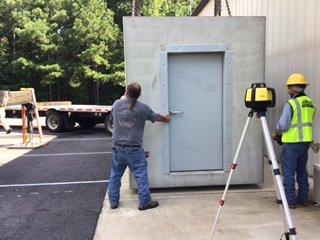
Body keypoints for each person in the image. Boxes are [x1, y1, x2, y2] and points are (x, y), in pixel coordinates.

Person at [108, 82, 171, 210]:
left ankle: (113, 203)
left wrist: (123, 98)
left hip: (117, 148)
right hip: (134, 150)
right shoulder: (143, 108)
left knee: (115, 175)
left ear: (126, 92)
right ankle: (144, 202)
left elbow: (113, 111)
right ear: (139, 95)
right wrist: (166, 119)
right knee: (141, 175)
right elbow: (156, 117)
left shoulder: (116, 104)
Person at [272, 73, 316, 209]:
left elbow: (283, 125)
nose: (288, 90)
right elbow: (307, 122)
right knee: (302, 171)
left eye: (288, 88)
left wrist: (276, 132)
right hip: (305, 144)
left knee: (288, 172)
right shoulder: (310, 103)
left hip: (291, 144)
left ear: (292, 88)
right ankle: (303, 198)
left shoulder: (291, 103)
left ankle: (289, 201)